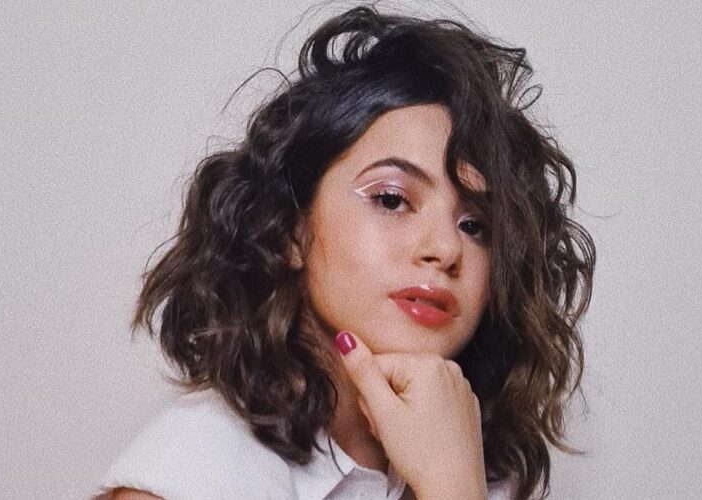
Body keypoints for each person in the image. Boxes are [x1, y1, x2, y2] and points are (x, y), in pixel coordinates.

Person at [95, 4, 595, 500]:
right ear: (291, 231)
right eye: (392, 199)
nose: (446, 249)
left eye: (475, 226)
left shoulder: (483, 470)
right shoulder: (193, 470)